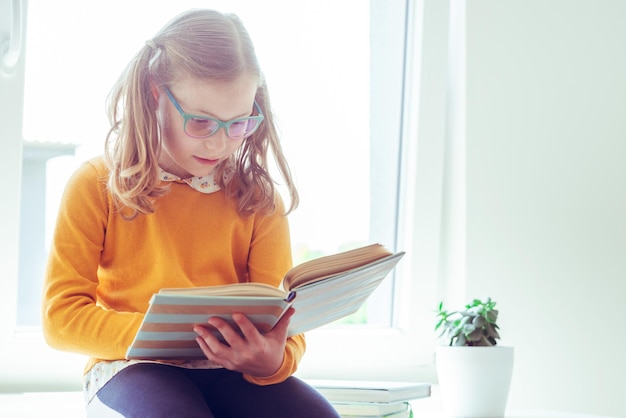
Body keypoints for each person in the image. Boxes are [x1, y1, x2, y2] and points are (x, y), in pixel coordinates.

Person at [42, 9, 340, 418]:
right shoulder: (96, 185)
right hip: (132, 367)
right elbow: (61, 318)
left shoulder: (257, 198)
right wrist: (165, 338)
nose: (219, 144)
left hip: (232, 370)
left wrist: (271, 360)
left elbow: (283, 321)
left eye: (238, 124)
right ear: (155, 94)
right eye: (200, 121)